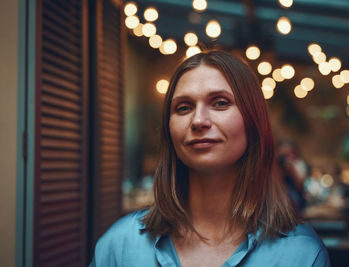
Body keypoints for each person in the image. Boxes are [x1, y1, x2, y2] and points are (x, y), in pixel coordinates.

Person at [89, 50, 330, 266]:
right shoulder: (119, 247)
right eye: (183, 107)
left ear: (253, 122)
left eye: (220, 103)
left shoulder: (301, 255)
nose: (198, 121)